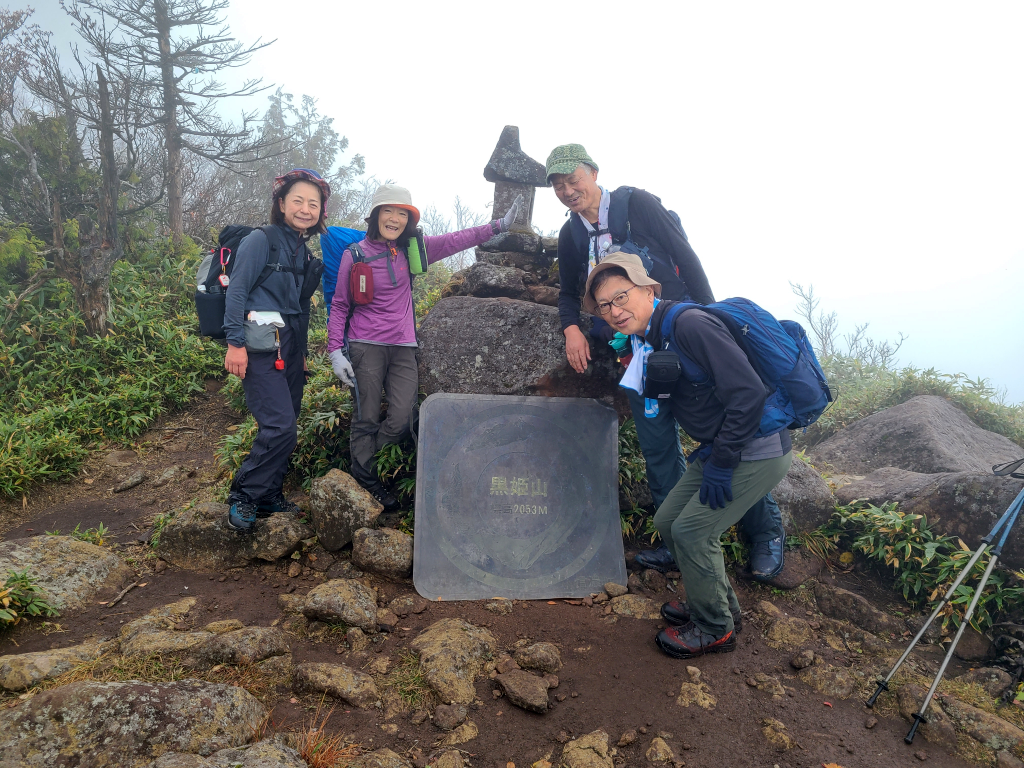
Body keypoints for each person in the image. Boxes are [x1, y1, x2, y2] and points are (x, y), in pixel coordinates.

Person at [544, 144, 786, 580]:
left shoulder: (637, 204)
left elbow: (685, 255)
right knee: (658, 446)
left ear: (593, 172)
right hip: (633, 353)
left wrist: (715, 318)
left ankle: (765, 533)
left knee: (721, 430)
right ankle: (678, 541)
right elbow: (567, 293)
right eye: (558, 185)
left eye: (572, 179)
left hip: (681, 339)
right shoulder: (572, 234)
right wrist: (572, 328)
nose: (567, 189)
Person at [583, 253, 793, 658]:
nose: (614, 311)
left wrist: (722, 462)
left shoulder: (689, 324)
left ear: (649, 290)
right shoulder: (651, 333)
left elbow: (748, 395)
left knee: (694, 532)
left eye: (621, 297)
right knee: (668, 521)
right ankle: (716, 602)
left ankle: (715, 629)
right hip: (719, 449)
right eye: (605, 305)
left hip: (755, 450)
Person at [326, 184, 523, 508]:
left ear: (409, 220)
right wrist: (336, 350)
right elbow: (339, 304)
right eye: (388, 211)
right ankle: (367, 481)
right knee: (366, 417)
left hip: (404, 346)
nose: (394, 218)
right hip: (365, 345)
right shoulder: (355, 254)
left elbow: (455, 239)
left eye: (402, 213)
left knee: (403, 416)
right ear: (375, 215)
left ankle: (364, 460)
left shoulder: (412, 250)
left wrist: (497, 226)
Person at [223, 168, 331, 533]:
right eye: (298, 200)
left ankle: (269, 493)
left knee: (288, 424)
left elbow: (297, 308)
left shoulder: (302, 249)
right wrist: (234, 344)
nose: (305, 209)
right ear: (281, 203)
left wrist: (300, 354)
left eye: (313, 204)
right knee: (280, 426)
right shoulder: (261, 240)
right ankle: (244, 495)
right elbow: (237, 292)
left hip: (289, 348)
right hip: (258, 345)